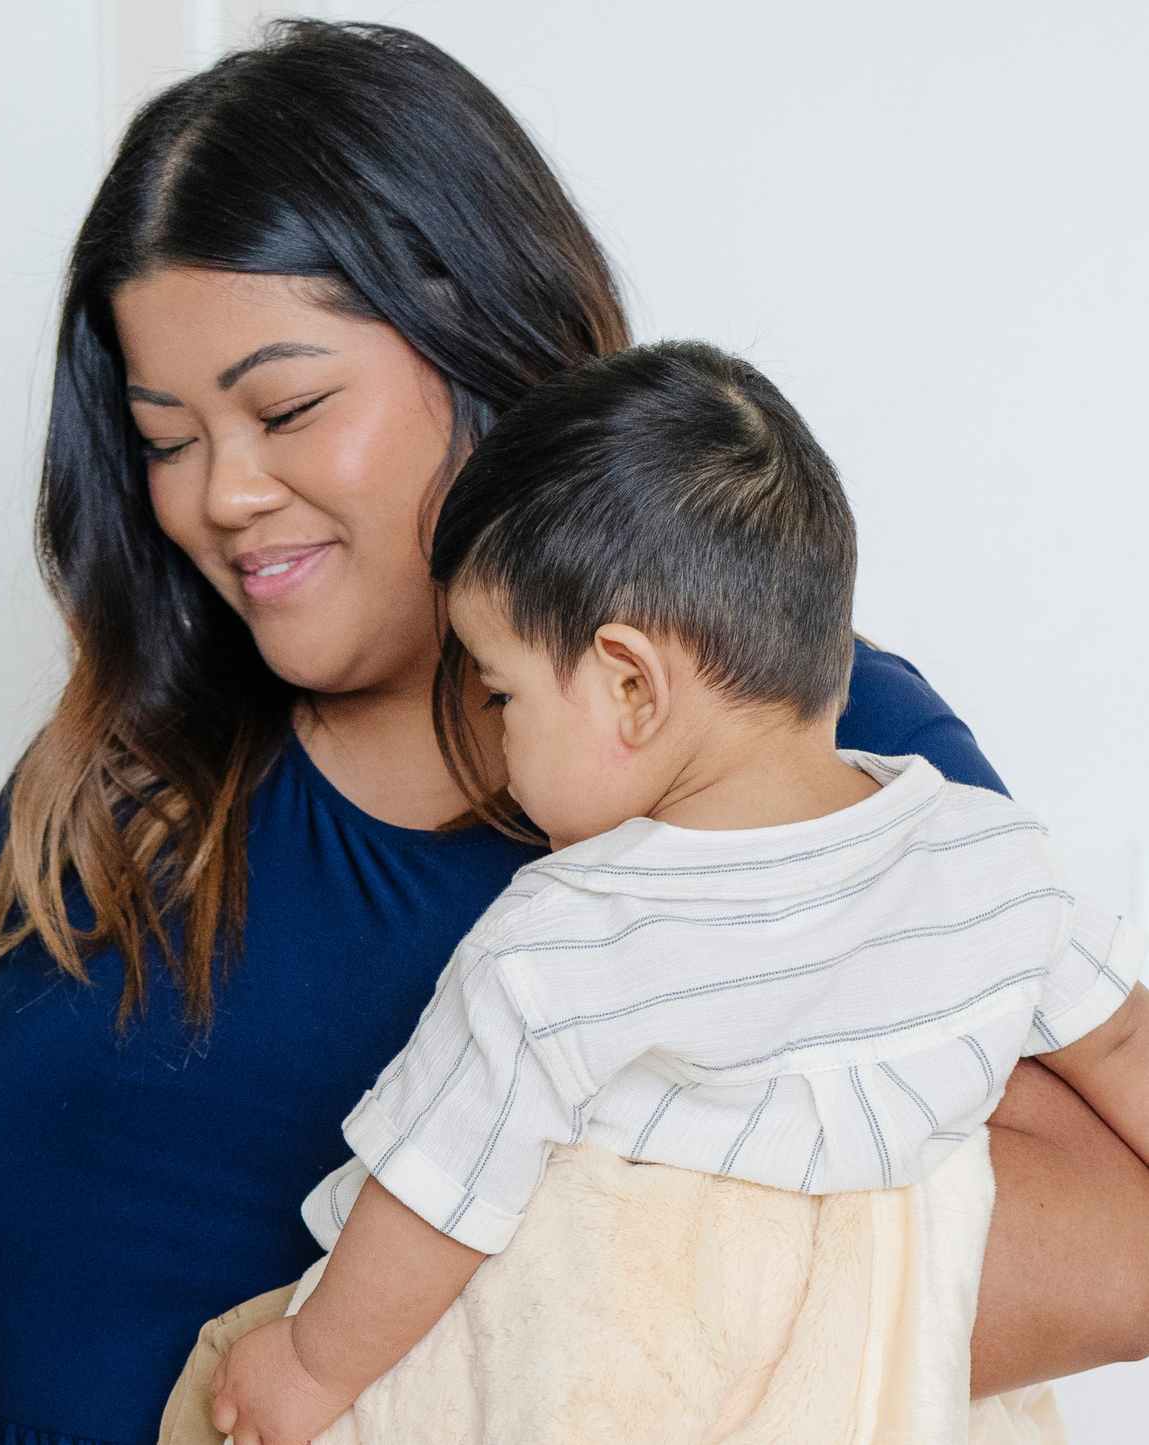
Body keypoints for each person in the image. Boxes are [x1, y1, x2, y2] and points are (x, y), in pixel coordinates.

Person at [0, 21, 1146, 1445]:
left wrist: (372, 1328)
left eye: (286, 405)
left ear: (484, 344)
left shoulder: (756, 738)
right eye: (164, 437)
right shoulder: (125, 775)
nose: (220, 495)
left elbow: (1115, 1243)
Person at [207, 340, 1149, 1443]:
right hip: (924, 1397)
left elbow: (434, 1191)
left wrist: (309, 1368)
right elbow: (1123, 1044)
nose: (494, 746)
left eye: (501, 692)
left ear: (628, 684)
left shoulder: (565, 937)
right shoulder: (989, 857)